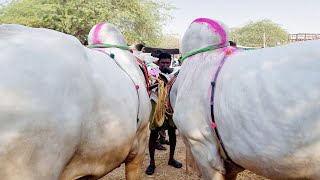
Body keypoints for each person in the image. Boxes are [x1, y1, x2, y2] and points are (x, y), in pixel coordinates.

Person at [145, 53, 182, 175]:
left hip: (170, 105)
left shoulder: (175, 73)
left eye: (167, 63)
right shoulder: (151, 72)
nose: (165, 65)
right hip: (157, 104)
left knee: (172, 132)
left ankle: (171, 159)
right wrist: (159, 83)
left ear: (170, 62)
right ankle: (152, 163)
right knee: (154, 133)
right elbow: (148, 87)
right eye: (163, 63)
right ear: (158, 62)